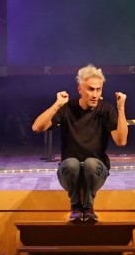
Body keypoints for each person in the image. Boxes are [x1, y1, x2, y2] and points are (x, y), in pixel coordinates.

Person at [31, 63, 128, 223]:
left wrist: (121, 108)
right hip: (69, 171)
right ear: (80, 90)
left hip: (96, 169)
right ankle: (75, 206)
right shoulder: (67, 108)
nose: (95, 94)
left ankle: (88, 207)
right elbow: (37, 127)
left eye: (98, 89)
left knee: (90, 163)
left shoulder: (106, 110)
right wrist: (57, 105)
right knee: (71, 164)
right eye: (90, 89)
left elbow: (121, 141)